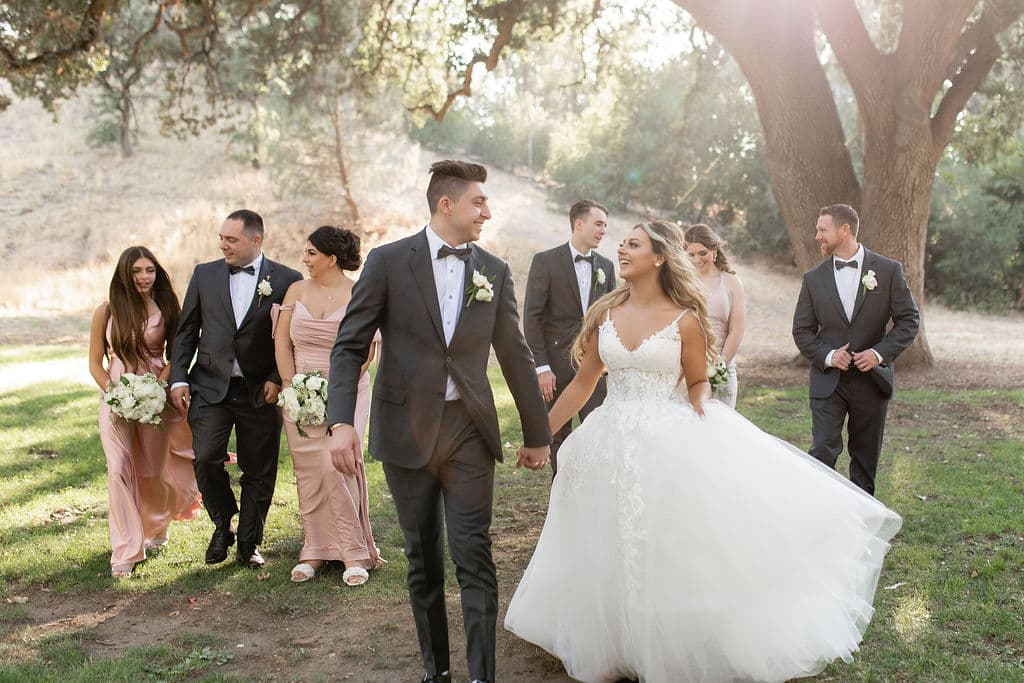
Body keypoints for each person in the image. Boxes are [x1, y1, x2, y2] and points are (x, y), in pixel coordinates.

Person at [505, 220, 903, 683]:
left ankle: (663, 637)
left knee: (659, 541)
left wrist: (700, 408)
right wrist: (542, 435)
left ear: (659, 257)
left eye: (633, 244)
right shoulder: (606, 314)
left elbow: (697, 382)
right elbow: (582, 384)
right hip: (606, 441)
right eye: (623, 244)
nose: (622, 250)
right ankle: (612, 638)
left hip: (663, 440)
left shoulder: (686, 320)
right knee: (608, 538)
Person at [326, 160, 551, 683]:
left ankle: (482, 676)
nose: (487, 212)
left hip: (469, 430)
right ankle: (438, 672)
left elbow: (515, 354)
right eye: (479, 202)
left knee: (474, 552)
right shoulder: (387, 262)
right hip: (406, 432)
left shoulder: (494, 271)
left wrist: (537, 433)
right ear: (446, 204)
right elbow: (349, 346)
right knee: (423, 557)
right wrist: (341, 422)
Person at [169, 210, 302, 568]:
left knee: (259, 469)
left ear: (256, 240)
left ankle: (248, 542)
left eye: (232, 239)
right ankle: (223, 522)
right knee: (206, 457)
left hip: (260, 390)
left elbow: (291, 337)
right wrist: (179, 377)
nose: (223, 245)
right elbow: (186, 330)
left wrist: (276, 376)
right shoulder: (205, 274)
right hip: (210, 386)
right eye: (221, 238)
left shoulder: (288, 279)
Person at [272, 225, 384, 585]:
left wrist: (336, 390)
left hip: (347, 391)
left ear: (332, 258)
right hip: (299, 393)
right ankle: (315, 549)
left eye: (311, 253)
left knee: (337, 465)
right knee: (308, 470)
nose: (304, 259)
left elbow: (366, 353)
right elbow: (281, 342)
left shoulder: (358, 293)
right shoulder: (296, 290)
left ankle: (354, 551)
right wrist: (292, 387)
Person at [88, 246, 202, 579]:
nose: (144, 277)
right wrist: (114, 393)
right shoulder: (106, 311)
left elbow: (178, 356)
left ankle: (155, 525)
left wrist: (156, 387)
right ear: (124, 274)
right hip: (115, 399)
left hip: (154, 396)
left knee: (153, 470)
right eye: (137, 271)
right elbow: (95, 362)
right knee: (118, 468)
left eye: (149, 270)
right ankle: (125, 548)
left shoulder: (166, 306)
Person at [792, 204, 920, 495]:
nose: (817, 236)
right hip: (828, 382)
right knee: (822, 450)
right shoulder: (813, 279)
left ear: (844, 230)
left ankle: (862, 517)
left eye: (822, 230)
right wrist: (828, 355)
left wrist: (878, 353)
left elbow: (909, 320)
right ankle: (820, 510)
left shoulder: (888, 271)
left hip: (871, 381)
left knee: (864, 458)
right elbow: (802, 330)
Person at [524, 199, 617, 473]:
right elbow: (532, 318)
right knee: (557, 439)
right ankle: (560, 492)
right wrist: (542, 367)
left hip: (594, 368)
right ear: (579, 224)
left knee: (596, 435)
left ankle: (593, 489)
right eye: (598, 224)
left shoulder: (607, 267)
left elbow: (610, 319)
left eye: (605, 226)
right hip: (555, 368)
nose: (603, 231)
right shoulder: (545, 262)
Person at [683, 223, 746, 408]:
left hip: (721, 366)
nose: (697, 260)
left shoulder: (732, 283)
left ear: (714, 251)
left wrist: (719, 366)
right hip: (686, 369)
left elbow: (737, 330)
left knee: (720, 422)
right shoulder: (683, 283)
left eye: (703, 253)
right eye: (691, 255)